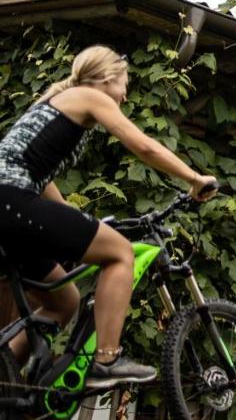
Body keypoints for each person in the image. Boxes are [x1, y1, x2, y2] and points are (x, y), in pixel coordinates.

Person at [0, 45, 217, 389]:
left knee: (64, 301)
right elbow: (144, 146)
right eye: (124, 83)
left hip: (10, 207)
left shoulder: (54, 105)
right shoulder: (88, 95)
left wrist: (76, 218)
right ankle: (107, 360)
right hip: (11, 202)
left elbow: (41, 178)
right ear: (106, 77)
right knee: (119, 253)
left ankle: (6, 385)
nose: (125, 93)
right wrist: (194, 178)